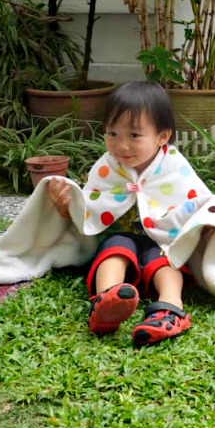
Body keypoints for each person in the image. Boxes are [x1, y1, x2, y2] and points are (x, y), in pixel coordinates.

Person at [46, 81, 196, 345]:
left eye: (134, 136)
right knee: (114, 250)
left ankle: (170, 307)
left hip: (162, 239)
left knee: (165, 260)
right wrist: (65, 207)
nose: (121, 145)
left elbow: (196, 204)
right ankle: (107, 300)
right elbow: (88, 208)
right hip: (122, 235)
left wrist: (211, 224)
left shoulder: (174, 167)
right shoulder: (107, 167)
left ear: (162, 136)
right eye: (112, 133)